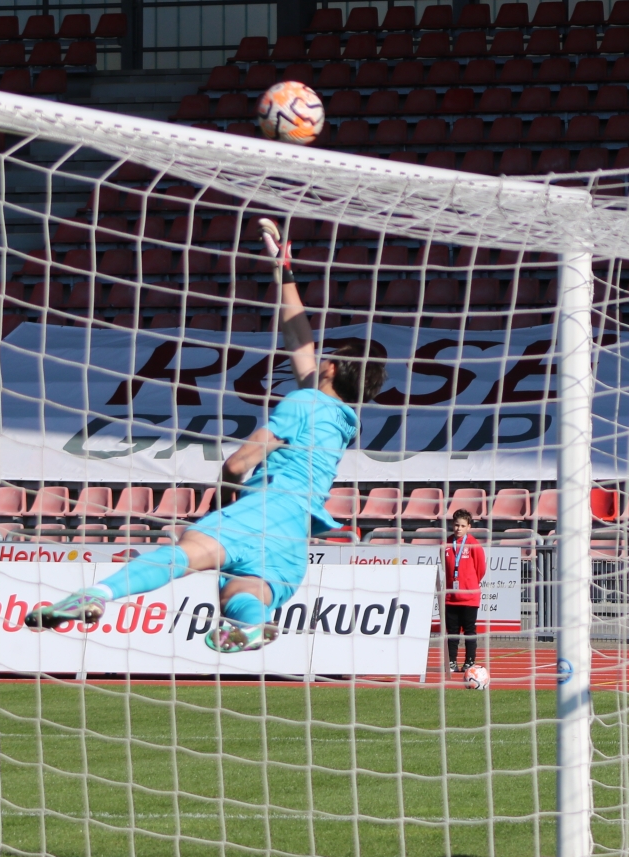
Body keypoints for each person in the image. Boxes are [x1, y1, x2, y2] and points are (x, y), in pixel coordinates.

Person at [26, 219, 384, 652]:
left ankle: (97, 594)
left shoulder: (303, 402)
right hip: (295, 533)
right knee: (239, 593)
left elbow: (238, 462)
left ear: (331, 368)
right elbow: (299, 339)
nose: (319, 357)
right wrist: (283, 272)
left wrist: (225, 497)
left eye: (328, 356)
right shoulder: (341, 418)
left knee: (186, 550)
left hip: (263, 509)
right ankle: (254, 626)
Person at [441, 508, 486, 674]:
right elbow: (445, 567)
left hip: (469, 597)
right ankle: (452, 661)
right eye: (456, 525)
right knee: (452, 632)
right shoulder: (446, 544)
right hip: (451, 597)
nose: (458, 528)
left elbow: (481, 569)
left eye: (462, 526)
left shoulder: (473, 544)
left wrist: (470, 584)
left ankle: (469, 661)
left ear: (468, 527)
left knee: (469, 631)